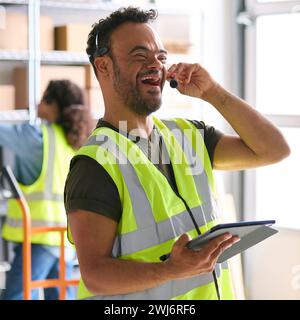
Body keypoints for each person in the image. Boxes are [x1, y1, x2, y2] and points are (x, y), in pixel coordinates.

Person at [64, 7, 290, 300]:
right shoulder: (95, 164)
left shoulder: (188, 137)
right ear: (104, 66)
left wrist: (213, 92)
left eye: (161, 57)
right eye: (139, 55)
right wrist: (170, 270)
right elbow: (95, 275)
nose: (155, 65)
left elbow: (274, 150)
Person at [0, 80, 93, 300]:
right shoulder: (76, 142)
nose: (37, 103)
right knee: (61, 294)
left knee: (17, 294)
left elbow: (5, 135)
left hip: (41, 237)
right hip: (66, 238)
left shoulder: (39, 138)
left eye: (43, 99)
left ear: (53, 105)